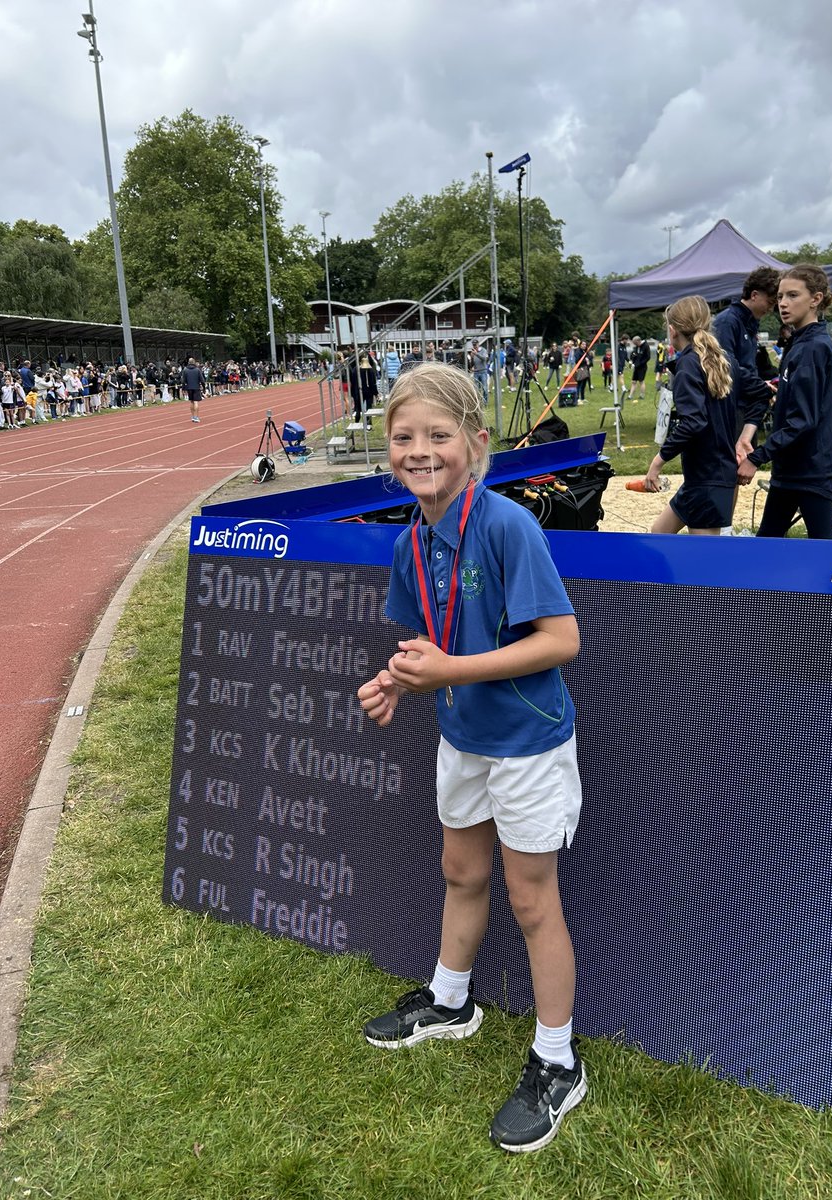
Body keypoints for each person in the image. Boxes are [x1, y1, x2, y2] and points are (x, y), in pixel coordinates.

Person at [357, 362, 586, 1154]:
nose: (420, 451)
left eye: (438, 436)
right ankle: (451, 1002)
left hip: (526, 746)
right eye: (404, 437)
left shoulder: (507, 526)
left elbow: (562, 641)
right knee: (461, 873)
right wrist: (395, 680)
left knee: (531, 900)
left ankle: (558, 1063)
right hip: (463, 740)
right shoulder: (409, 542)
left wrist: (447, 673)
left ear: (476, 444)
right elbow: (432, 645)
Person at [644, 295, 770, 535]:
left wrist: (657, 462)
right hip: (700, 478)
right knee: (659, 534)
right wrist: (746, 434)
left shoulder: (692, 365)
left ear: (672, 331)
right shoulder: (724, 360)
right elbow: (763, 393)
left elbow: (693, 422)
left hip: (709, 482)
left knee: (704, 564)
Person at [737, 264, 832, 539]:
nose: (783, 303)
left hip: (810, 470)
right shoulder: (800, 342)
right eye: (781, 296)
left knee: (826, 550)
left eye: (793, 295)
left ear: (815, 299)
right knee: (767, 541)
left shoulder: (813, 347)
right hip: (793, 467)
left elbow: (802, 420)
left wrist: (757, 457)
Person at [626, 336, 651, 403]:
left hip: (642, 367)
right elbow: (634, 354)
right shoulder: (637, 347)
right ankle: (630, 396)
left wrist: (638, 364)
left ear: (638, 341)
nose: (635, 345)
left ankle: (642, 395)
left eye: (635, 343)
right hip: (636, 367)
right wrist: (631, 361)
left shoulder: (645, 346)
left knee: (641, 381)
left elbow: (647, 357)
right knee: (633, 381)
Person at [182, 357, 205, 423]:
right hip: (196, 387)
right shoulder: (197, 370)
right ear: (194, 362)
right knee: (196, 402)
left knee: (191, 401)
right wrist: (204, 388)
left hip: (189, 387)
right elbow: (202, 380)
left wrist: (183, 388)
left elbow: (183, 380)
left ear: (188, 362)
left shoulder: (185, 370)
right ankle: (196, 417)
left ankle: (192, 416)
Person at [469, 338, 489, 405]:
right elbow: (472, 364)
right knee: (476, 389)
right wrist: (471, 358)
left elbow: (484, 359)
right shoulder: (472, 351)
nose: (475, 346)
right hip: (476, 372)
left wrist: (476, 354)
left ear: (478, 344)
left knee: (485, 388)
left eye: (476, 344)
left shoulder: (483, 350)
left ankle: (485, 402)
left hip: (483, 371)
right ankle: (478, 403)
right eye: (473, 345)